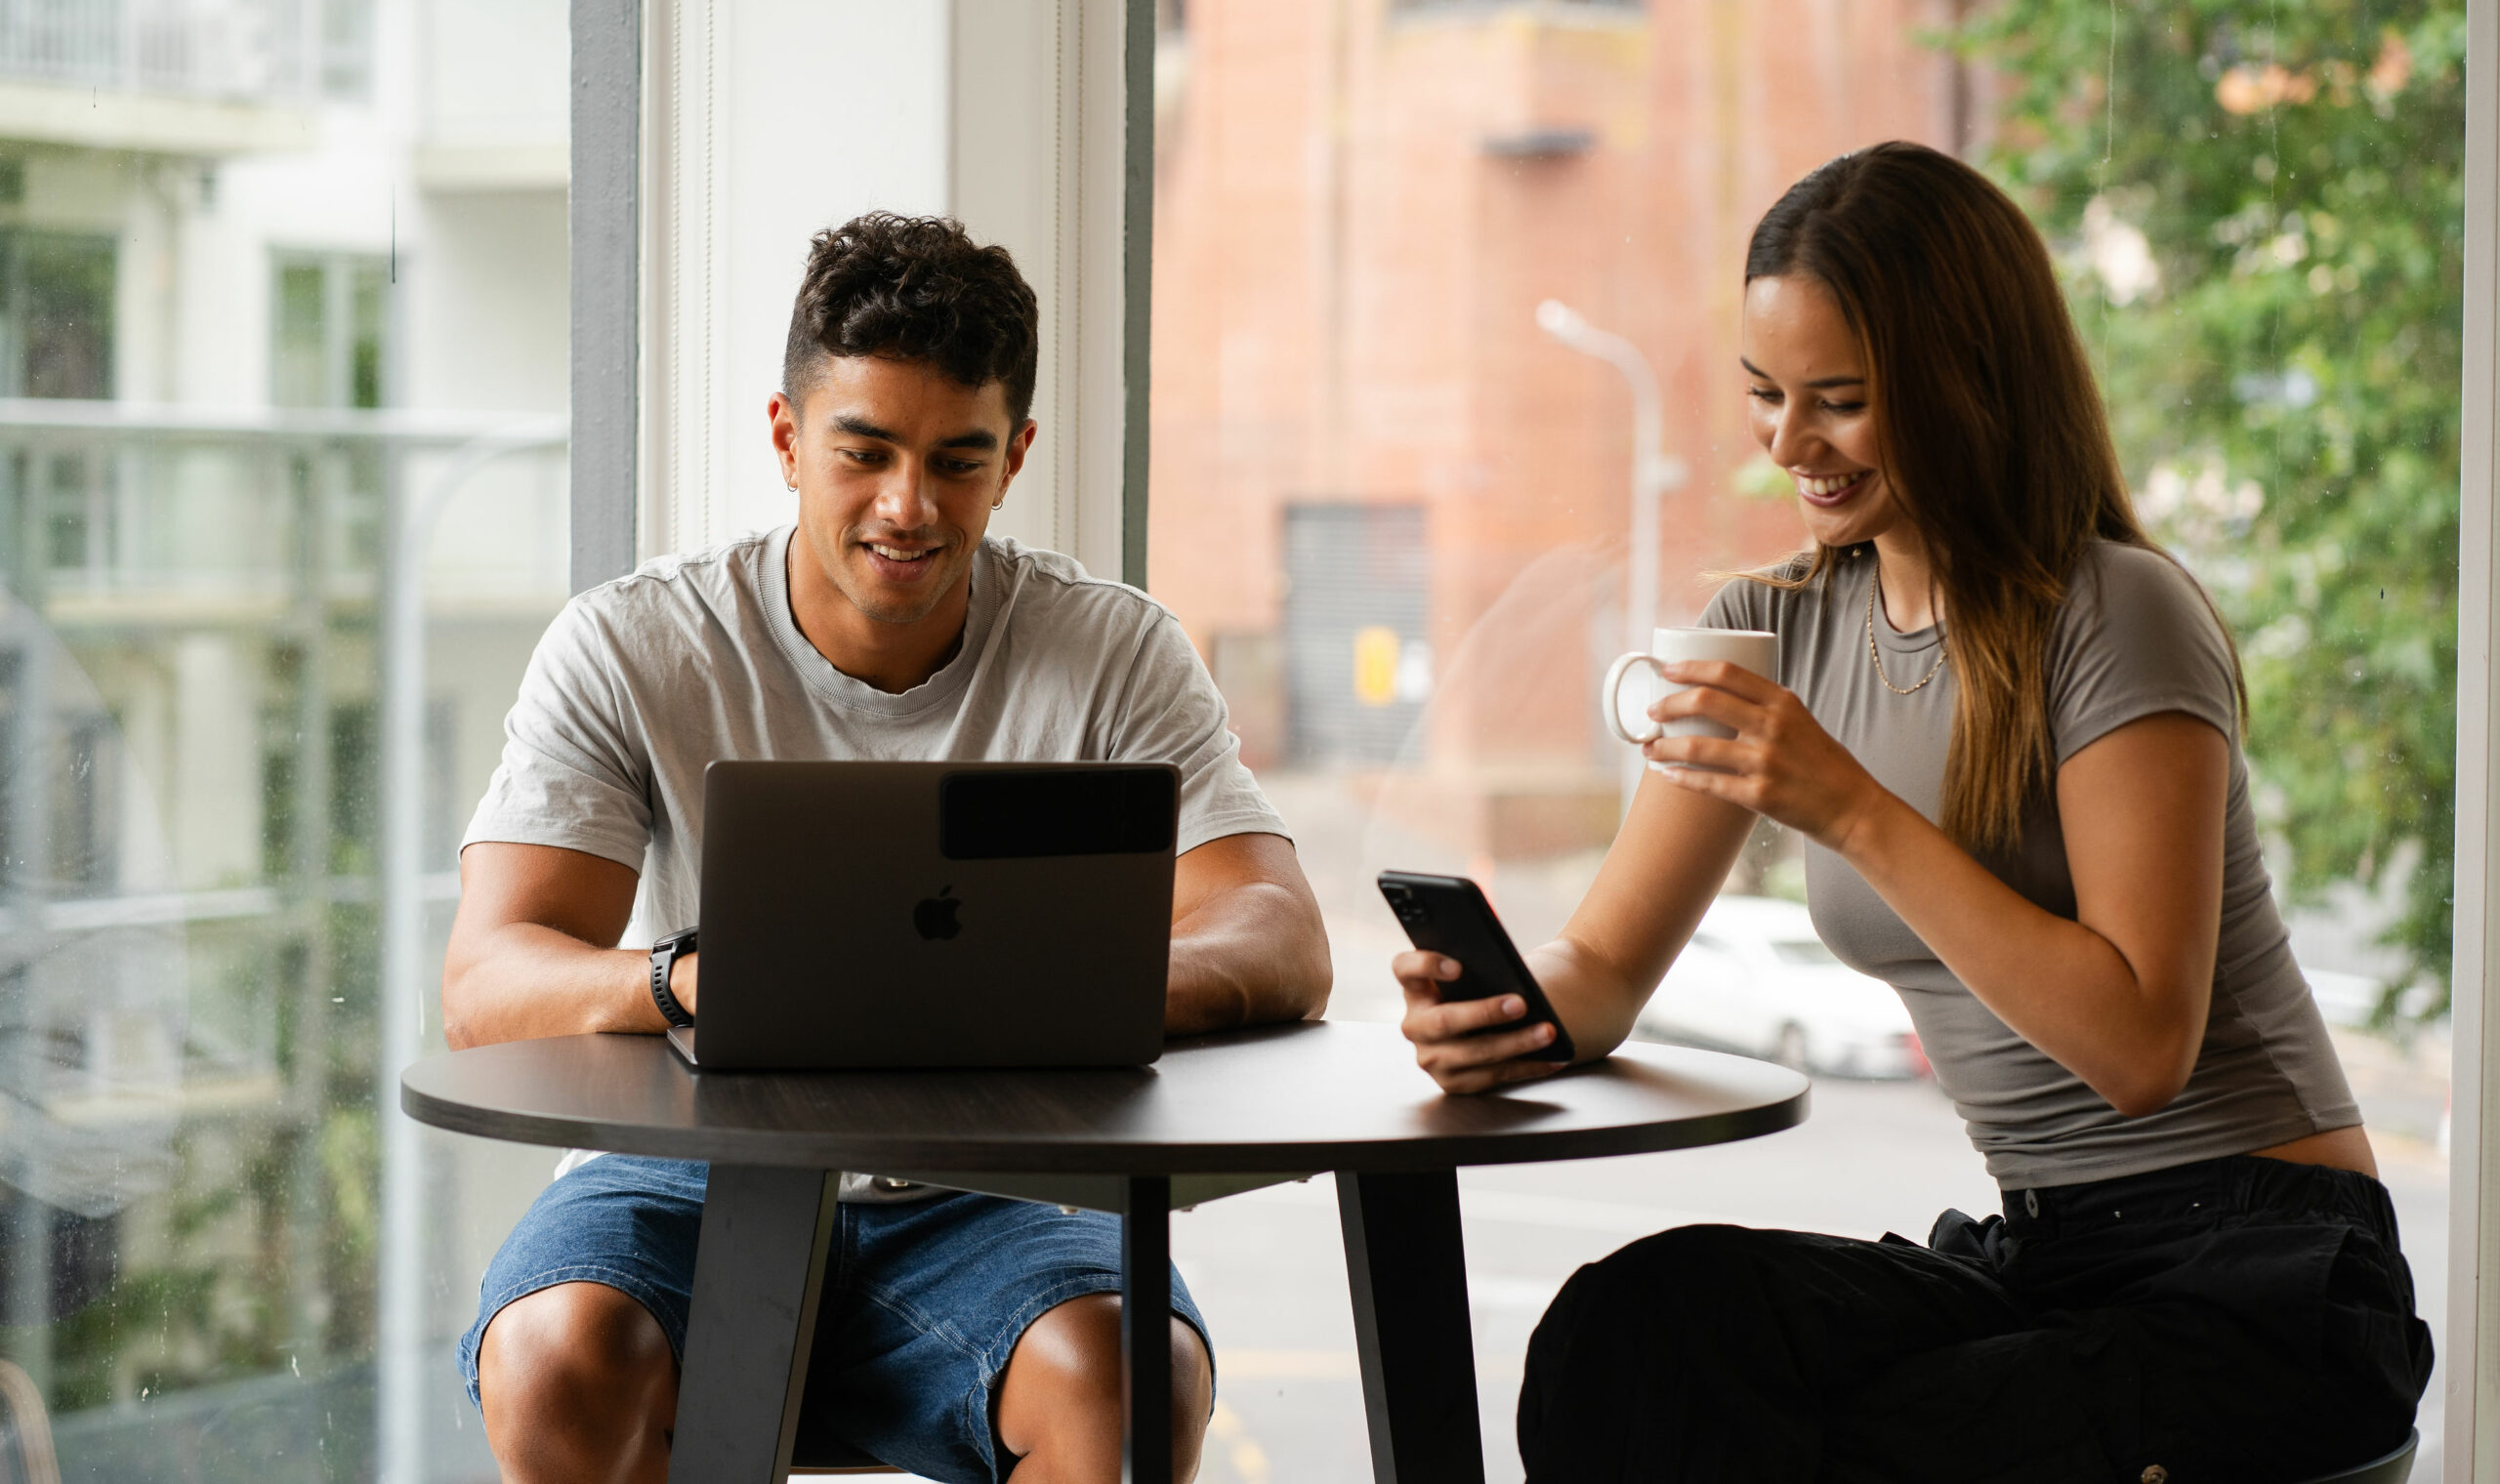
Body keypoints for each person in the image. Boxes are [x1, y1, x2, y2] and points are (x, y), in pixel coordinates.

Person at [1396, 143, 2433, 1482]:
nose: (1787, 445)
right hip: (2046, 1255)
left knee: (1890, 1449)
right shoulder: (1765, 629)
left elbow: (2140, 1048)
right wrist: (1498, 1012)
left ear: (1966, 384)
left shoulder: (2116, 611)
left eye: (1839, 400)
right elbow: (1601, 968)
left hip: (2263, 1267)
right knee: (1633, 1335)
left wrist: (1852, 806)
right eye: (1767, 395)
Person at [443, 212, 1332, 1484]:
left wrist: (1074, 991)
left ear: (1016, 456)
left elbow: (1281, 932)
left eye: (958, 461)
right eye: (863, 452)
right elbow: (487, 983)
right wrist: (686, 980)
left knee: (1124, 1382)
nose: (907, 505)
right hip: (687, 1176)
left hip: (1007, 1190)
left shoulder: (1115, 650)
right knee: (557, 1360)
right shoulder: (632, 643)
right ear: (787, 437)